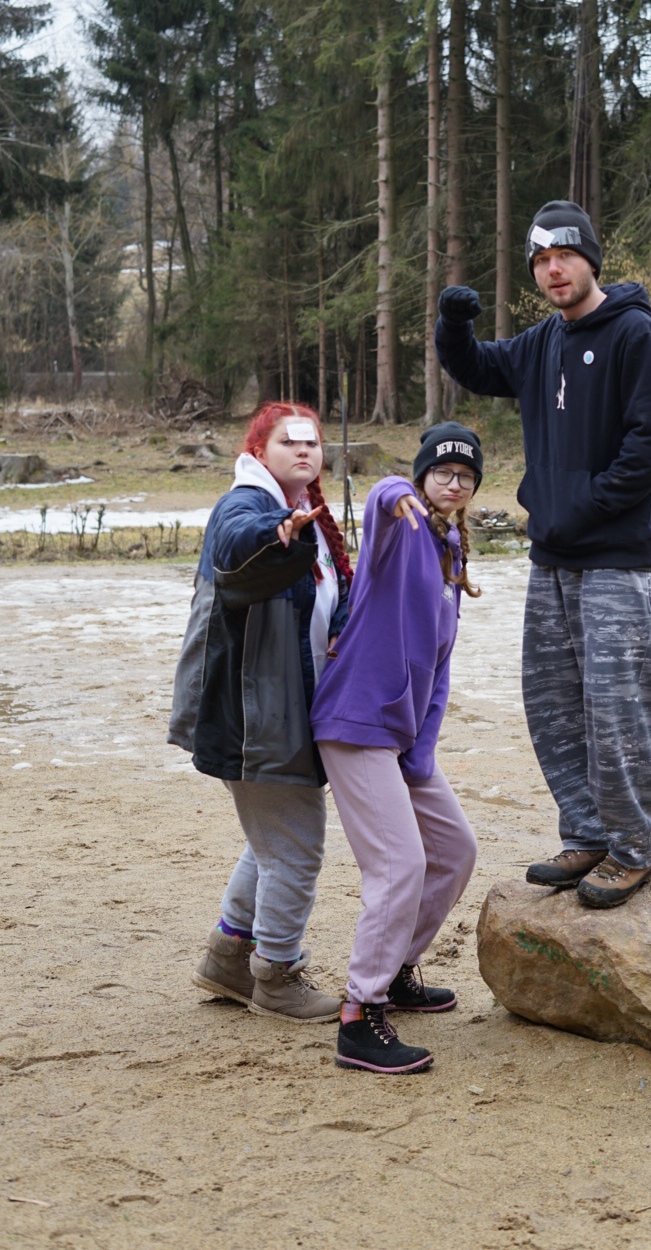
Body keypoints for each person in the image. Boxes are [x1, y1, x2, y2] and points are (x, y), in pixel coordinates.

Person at [436, 200, 651, 909]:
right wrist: (454, 324)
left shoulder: (634, 334)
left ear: (590, 260)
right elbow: (478, 367)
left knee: (617, 707)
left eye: (563, 256)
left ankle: (634, 848)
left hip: (615, 562)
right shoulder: (544, 341)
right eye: (540, 261)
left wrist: (586, 505)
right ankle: (588, 833)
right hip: (552, 562)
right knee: (553, 705)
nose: (552, 270)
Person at [169, 401, 351, 1022]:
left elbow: (332, 594)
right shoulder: (247, 506)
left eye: (312, 443)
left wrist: (342, 620)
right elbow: (235, 546)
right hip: (253, 717)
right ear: (258, 451)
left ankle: (229, 958)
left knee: (272, 839)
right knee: (295, 846)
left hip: (281, 710)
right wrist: (276, 533)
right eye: (288, 442)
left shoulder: (303, 513)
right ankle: (276, 975)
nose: (303, 450)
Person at [309, 422, 482, 1075]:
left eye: (466, 476)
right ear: (423, 476)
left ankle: (400, 966)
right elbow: (382, 496)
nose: (454, 483)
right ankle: (360, 1014)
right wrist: (394, 493)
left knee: (455, 851)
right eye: (442, 472)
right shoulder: (401, 524)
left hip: (401, 738)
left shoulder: (450, 549)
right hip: (356, 722)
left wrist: (421, 751)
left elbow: (439, 668)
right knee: (399, 864)